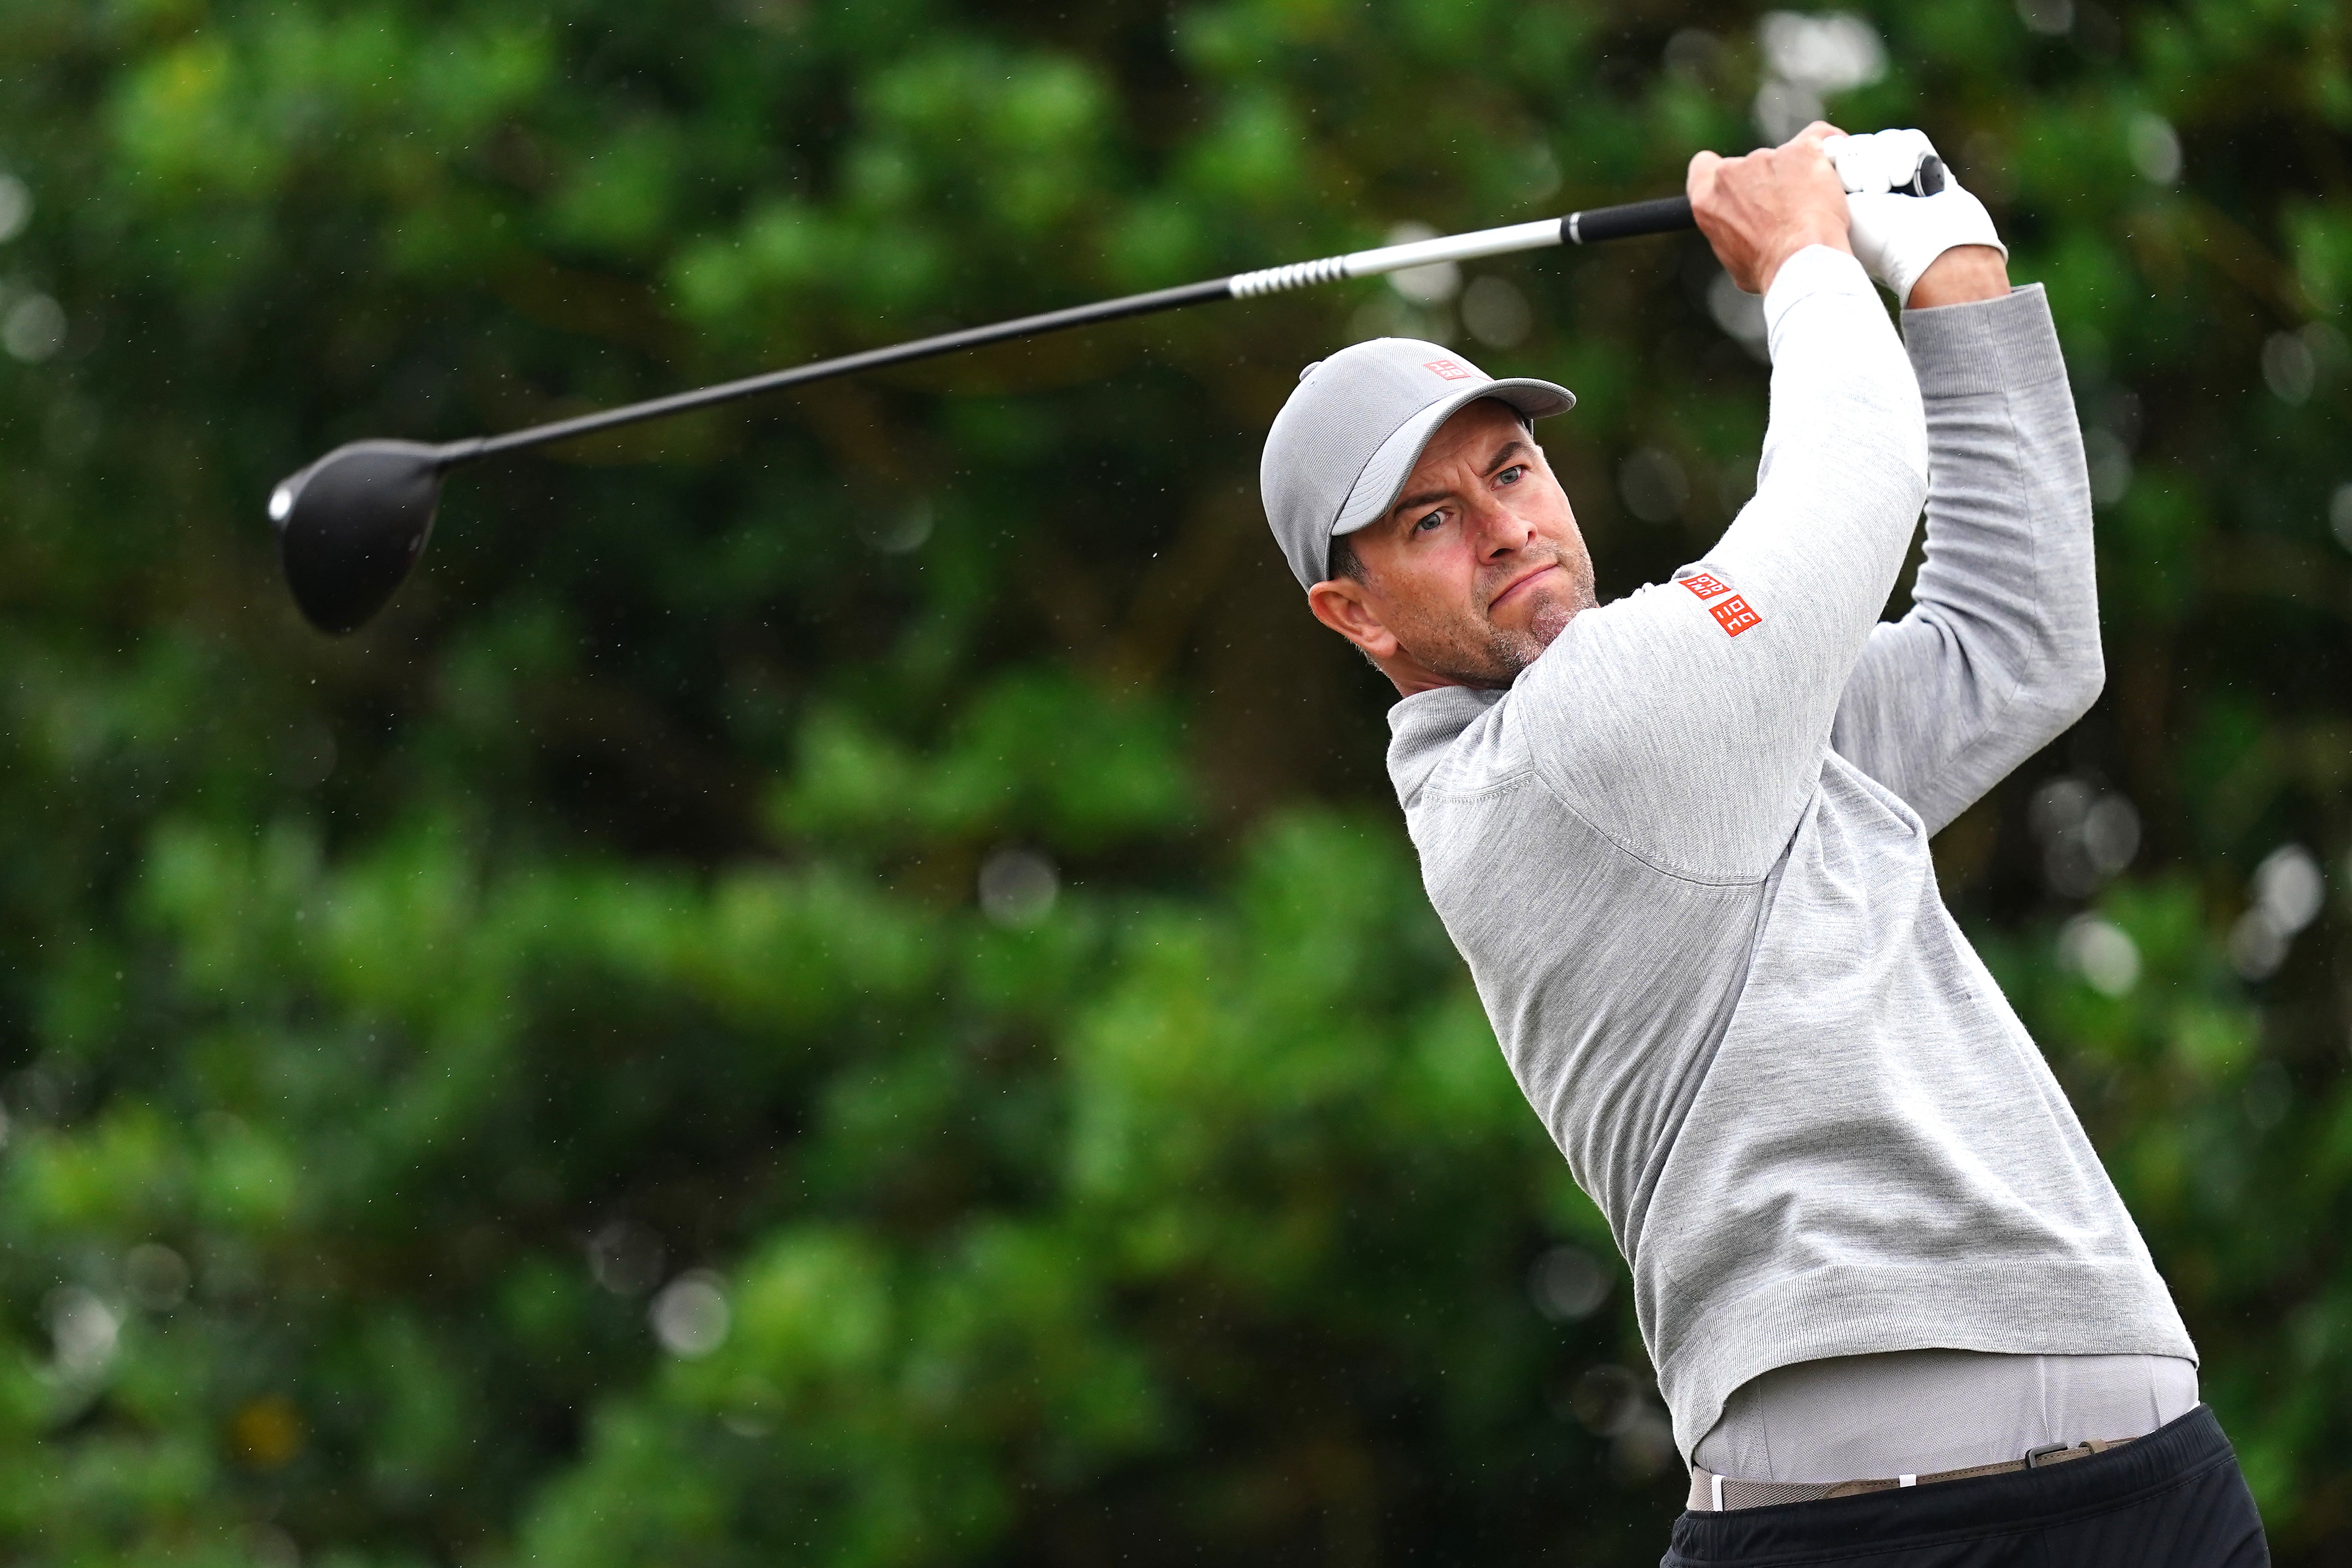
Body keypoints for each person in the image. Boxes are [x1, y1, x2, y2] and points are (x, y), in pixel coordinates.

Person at [1256, 124, 2269, 1567]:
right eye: (1430, 517)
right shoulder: (1576, 743)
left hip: (2149, 1487)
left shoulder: (1726, 729)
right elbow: (1848, 492)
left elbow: (2019, 647)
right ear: (1353, 614)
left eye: (1514, 468)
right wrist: (1800, 258)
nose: (1504, 527)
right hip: (1859, 1538)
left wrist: (1942, 255)